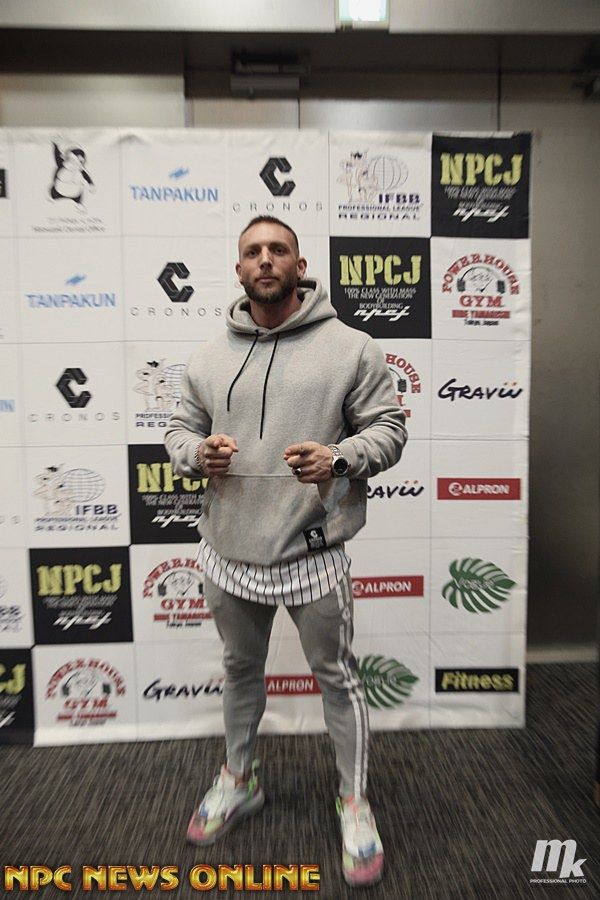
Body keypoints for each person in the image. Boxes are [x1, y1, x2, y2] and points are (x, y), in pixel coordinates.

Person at [164, 215, 407, 887]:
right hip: (228, 551)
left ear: (300, 266)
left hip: (313, 551)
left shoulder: (352, 348)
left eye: (278, 250)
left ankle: (353, 801)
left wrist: (340, 457)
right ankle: (240, 779)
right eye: (253, 251)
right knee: (241, 670)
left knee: (337, 677)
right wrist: (197, 453)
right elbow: (178, 430)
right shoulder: (207, 357)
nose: (265, 259)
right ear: (239, 270)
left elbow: (389, 429)